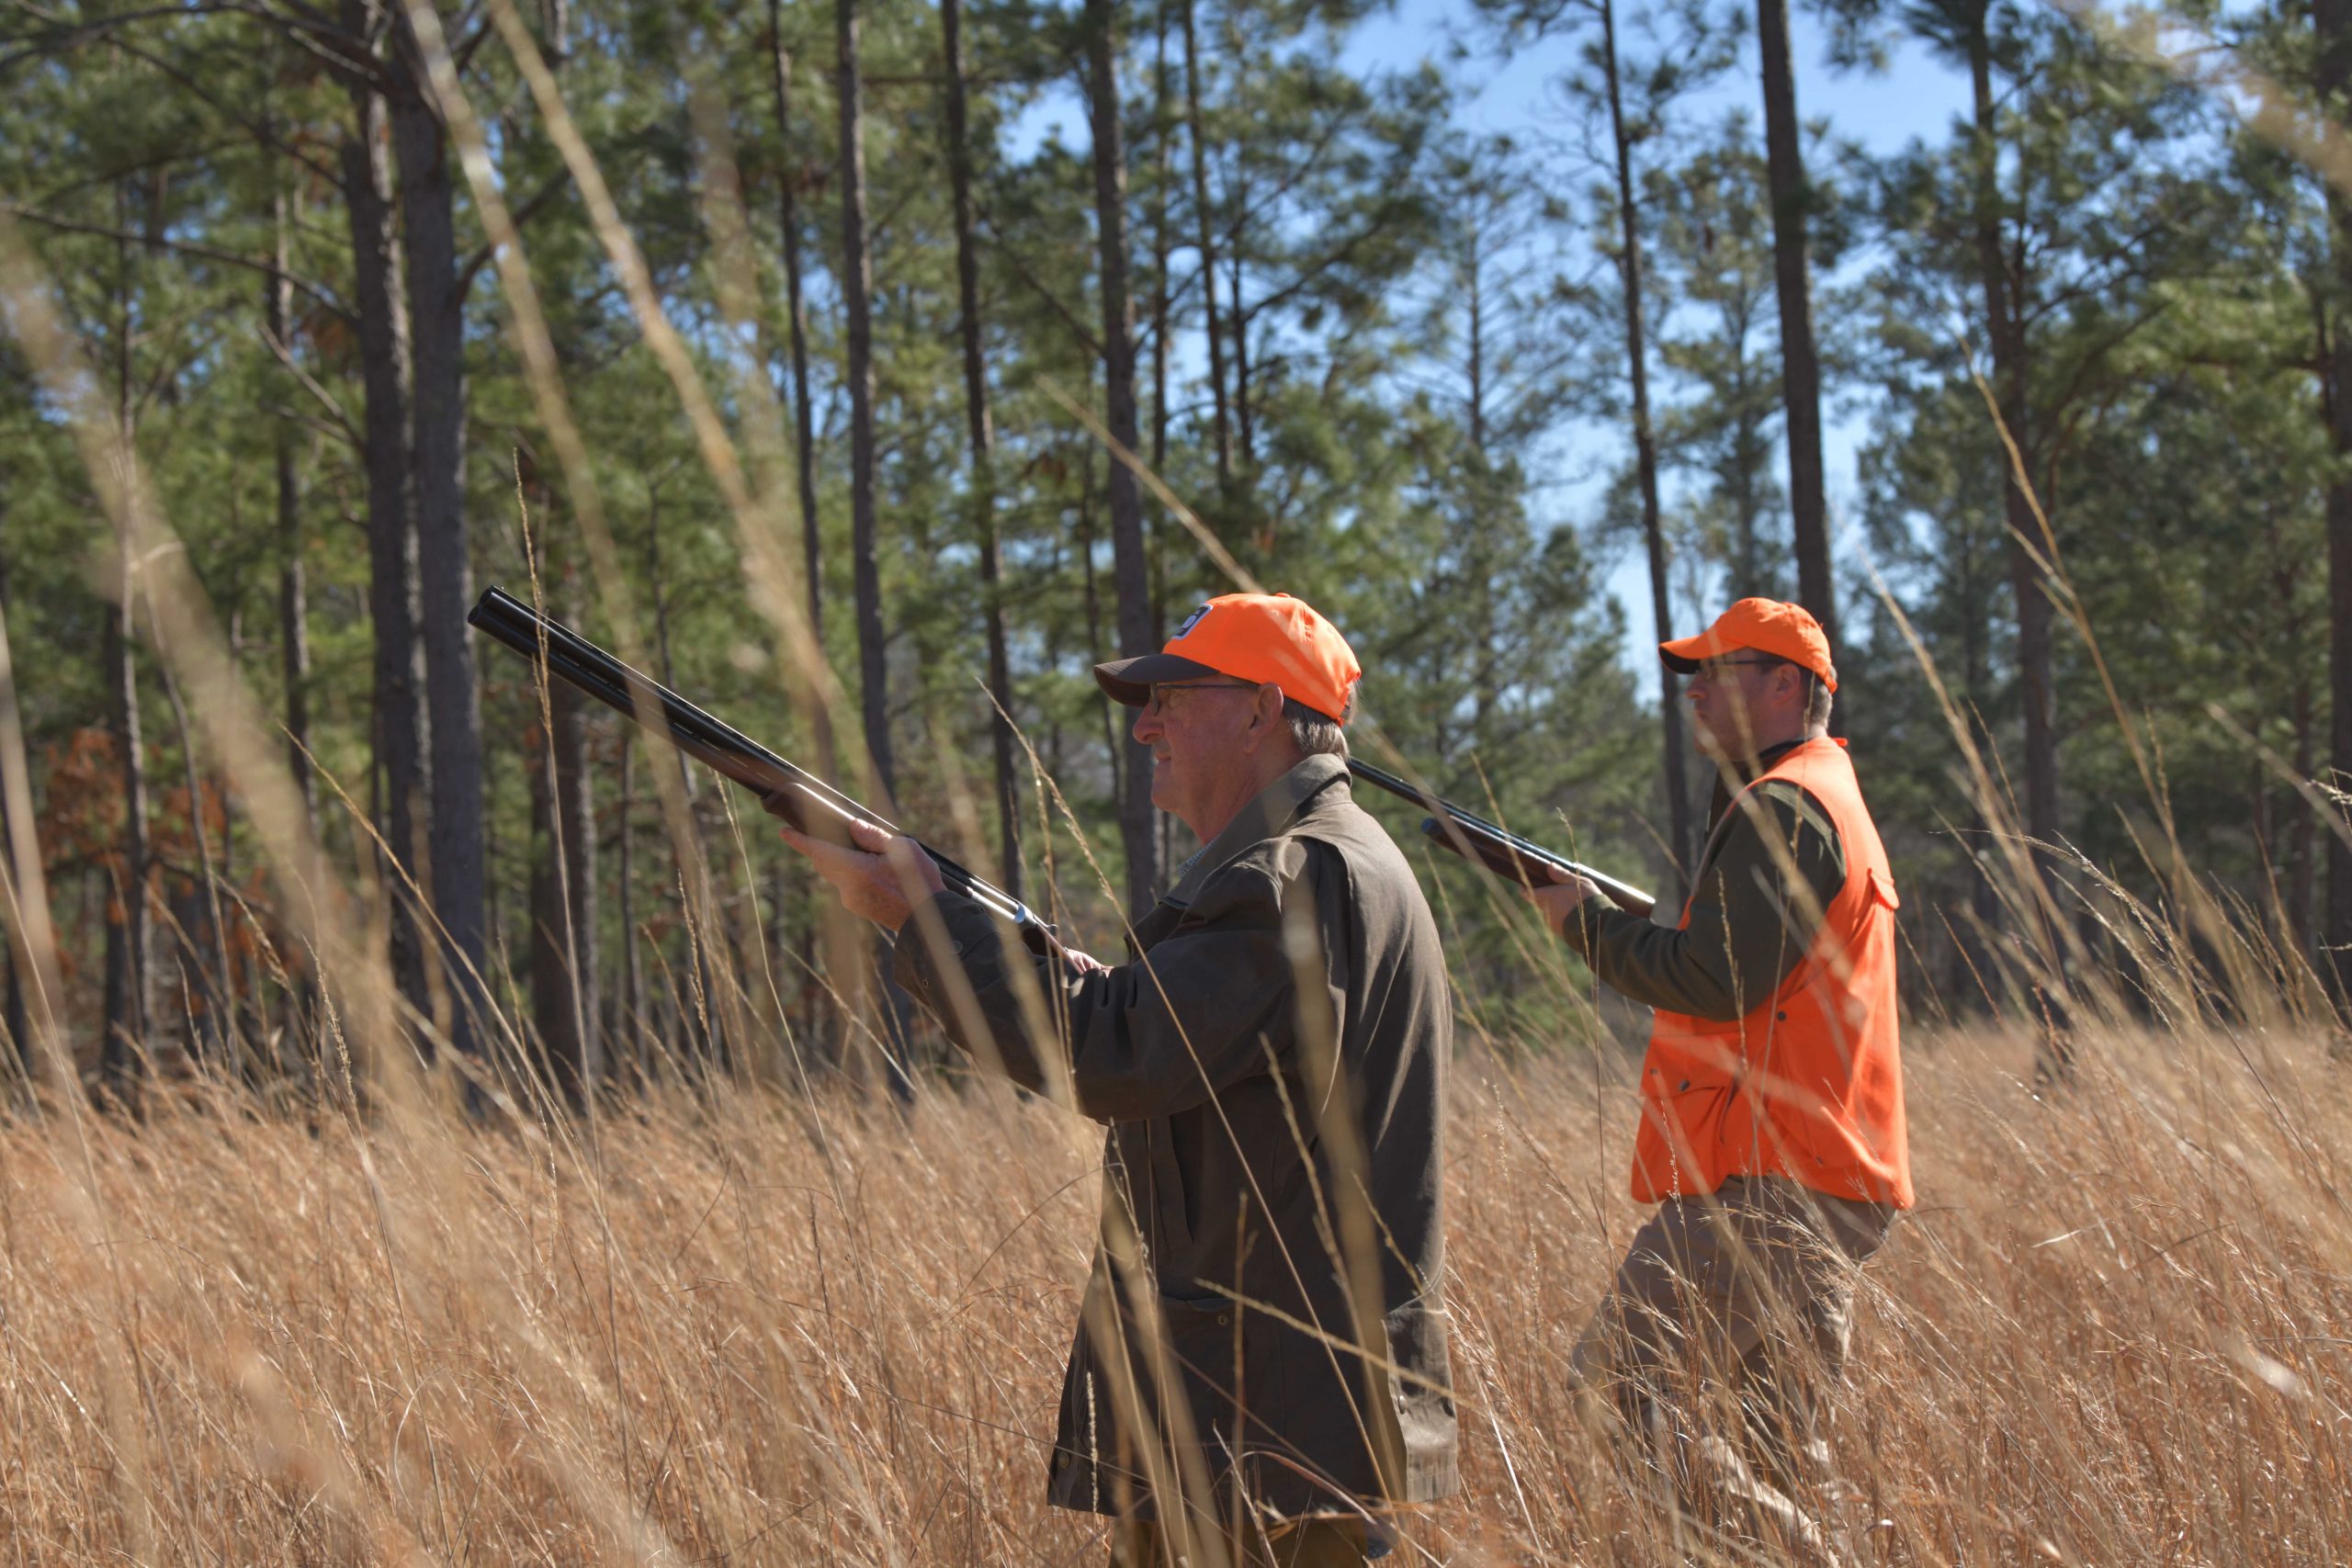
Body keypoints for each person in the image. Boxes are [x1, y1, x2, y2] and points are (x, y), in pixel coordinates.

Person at [769, 592, 1457, 1567]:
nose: (1144, 726)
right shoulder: (1321, 864)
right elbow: (1182, 1045)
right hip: (1265, 1408)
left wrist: (922, 918)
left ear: (1261, 711)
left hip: (1260, 1414)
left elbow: (1115, 1055)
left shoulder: (1288, 873)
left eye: (1172, 698)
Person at [1527, 597, 1912, 1558]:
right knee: (1779, 1453)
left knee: (1609, 1390)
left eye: (1717, 672)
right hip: (1825, 1180)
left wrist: (1583, 924)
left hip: (1772, 1184)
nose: (1693, 692)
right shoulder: (1821, 796)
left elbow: (1713, 978)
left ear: (1786, 686)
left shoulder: (1788, 806)